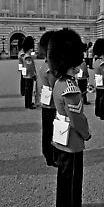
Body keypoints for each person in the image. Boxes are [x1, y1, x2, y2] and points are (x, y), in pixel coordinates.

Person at [48, 28, 94, 207]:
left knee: (64, 176)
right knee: (73, 182)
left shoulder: (59, 83)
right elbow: (78, 120)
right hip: (72, 139)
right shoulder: (70, 88)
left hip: (60, 135)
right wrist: (86, 134)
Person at [37, 30, 58, 167]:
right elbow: (55, 86)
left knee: (47, 129)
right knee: (51, 130)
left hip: (47, 101)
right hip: (52, 103)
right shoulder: (50, 67)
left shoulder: (45, 64)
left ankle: (49, 153)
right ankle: (51, 156)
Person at [22, 36, 37, 109]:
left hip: (27, 75)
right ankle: (28, 104)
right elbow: (29, 67)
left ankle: (28, 103)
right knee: (29, 90)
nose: (32, 50)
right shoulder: (28, 57)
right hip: (29, 76)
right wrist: (33, 74)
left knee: (28, 90)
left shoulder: (27, 56)